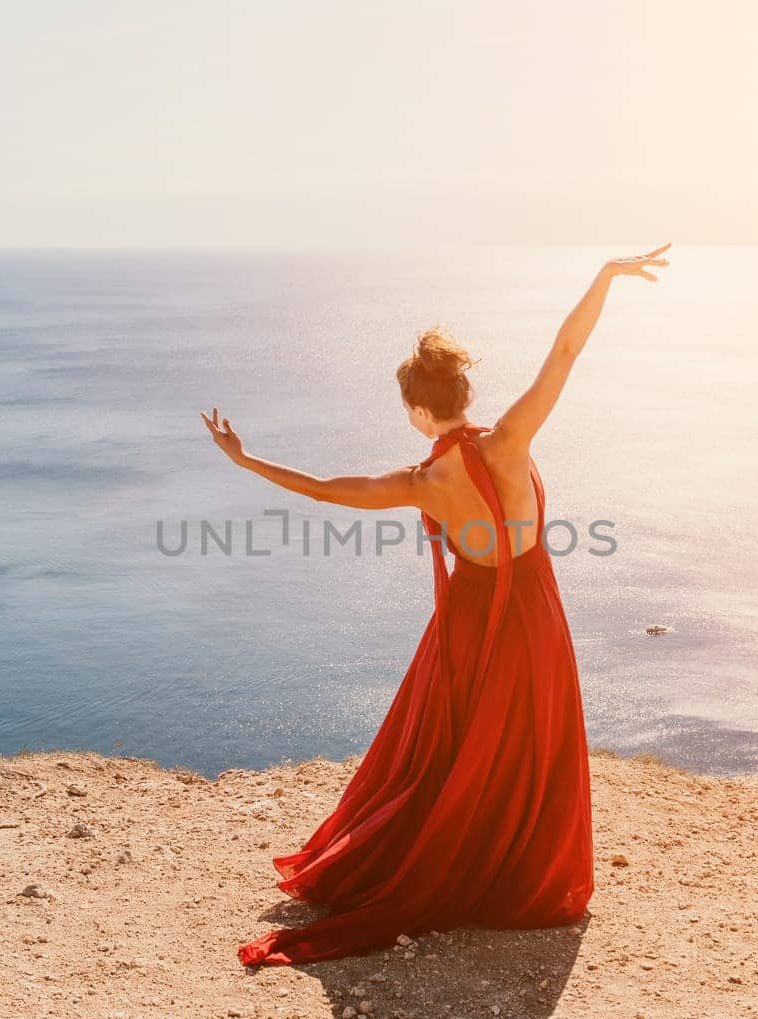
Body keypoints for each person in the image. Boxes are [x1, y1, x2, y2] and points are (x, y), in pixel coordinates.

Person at [200, 245, 671, 966]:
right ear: (465, 396)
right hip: (536, 610)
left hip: (469, 622)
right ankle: (521, 876)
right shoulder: (512, 439)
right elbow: (567, 349)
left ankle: (447, 860)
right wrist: (605, 276)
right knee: (528, 744)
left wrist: (244, 459)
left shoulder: (422, 480)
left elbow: (328, 489)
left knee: (451, 749)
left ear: (420, 409)